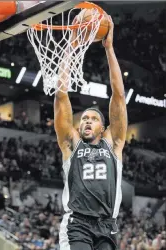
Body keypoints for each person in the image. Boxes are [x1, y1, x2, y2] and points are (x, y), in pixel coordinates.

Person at [54, 15, 127, 250]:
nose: (87, 120)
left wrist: (110, 49)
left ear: (103, 128)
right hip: (78, 225)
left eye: (93, 118)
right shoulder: (71, 144)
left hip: (108, 225)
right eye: (84, 118)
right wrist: (72, 43)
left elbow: (118, 97)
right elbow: (60, 94)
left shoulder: (113, 143)